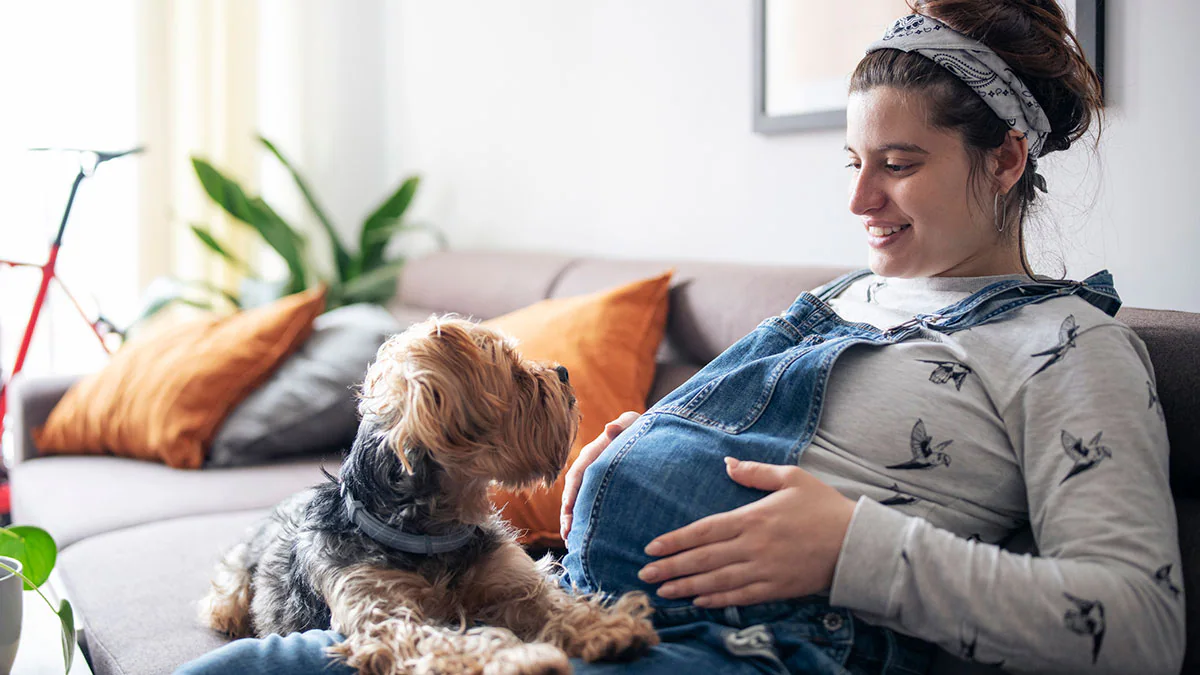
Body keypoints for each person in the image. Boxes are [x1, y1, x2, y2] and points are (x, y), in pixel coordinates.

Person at [176, 1, 1184, 673]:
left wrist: (854, 550)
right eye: (851, 161)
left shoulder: (1068, 349)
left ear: (1006, 158)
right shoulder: (839, 303)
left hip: (731, 651)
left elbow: (1142, 626)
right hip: (560, 612)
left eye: (901, 163)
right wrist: (618, 462)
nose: (861, 200)